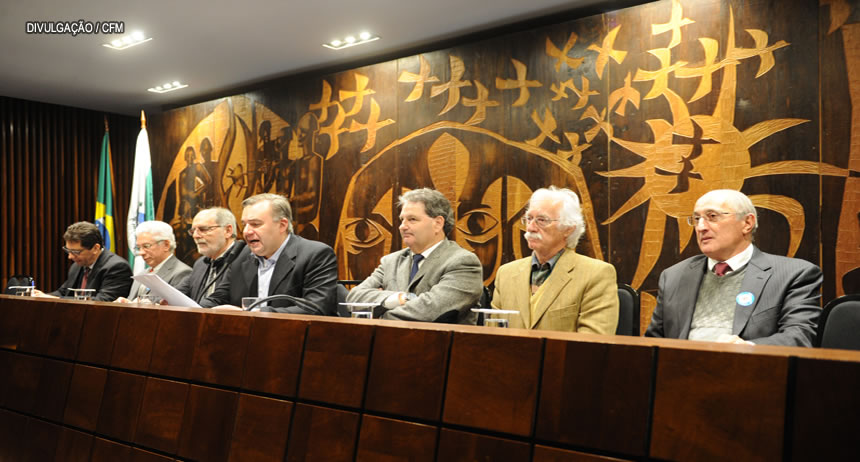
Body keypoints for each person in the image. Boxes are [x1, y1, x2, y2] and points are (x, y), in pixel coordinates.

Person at [645, 189, 823, 346]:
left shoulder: (792, 275)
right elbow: (654, 341)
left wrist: (747, 347)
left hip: (748, 373)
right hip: (680, 373)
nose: (700, 227)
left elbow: (799, 337)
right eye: (696, 219)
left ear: (747, 223)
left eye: (712, 217)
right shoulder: (674, 276)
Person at [491, 186, 618, 333]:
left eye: (541, 220)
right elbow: (493, 336)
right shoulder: (505, 274)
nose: (531, 227)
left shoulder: (596, 274)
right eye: (529, 219)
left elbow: (591, 345)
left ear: (568, 228)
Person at [346, 188, 483, 323]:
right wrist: (399, 298)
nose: (402, 226)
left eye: (412, 219)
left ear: (438, 223)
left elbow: (429, 311)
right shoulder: (391, 261)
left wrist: (377, 314)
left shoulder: (462, 262)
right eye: (402, 220)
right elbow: (354, 298)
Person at [199, 193, 337, 314]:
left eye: (255, 224)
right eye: (244, 224)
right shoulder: (241, 255)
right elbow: (217, 299)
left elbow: (316, 307)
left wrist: (252, 313)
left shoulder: (315, 254)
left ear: (282, 225)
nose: (246, 231)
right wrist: (193, 309)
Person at [32, 221, 133, 301]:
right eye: (68, 250)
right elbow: (63, 292)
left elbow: (103, 301)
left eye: (76, 252)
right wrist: (42, 296)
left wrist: (57, 299)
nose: (70, 257)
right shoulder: (77, 265)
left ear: (95, 248)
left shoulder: (117, 267)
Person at [175, 207, 241, 304]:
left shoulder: (242, 259)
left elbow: (219, 299)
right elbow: (177, 293)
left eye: (204, 229)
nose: (196, 236)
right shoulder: (200, 263)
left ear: (227, 231)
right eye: (193, 231)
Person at [118, 221, 192, 301]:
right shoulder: (142, 273)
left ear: (166, 245)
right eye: (139, 247)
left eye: (146, 246)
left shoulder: (182, 273)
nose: (141, 252)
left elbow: (172, 308)